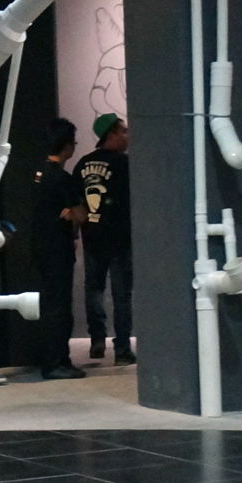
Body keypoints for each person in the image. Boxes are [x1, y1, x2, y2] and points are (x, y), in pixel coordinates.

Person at [76, 112, 134, 365]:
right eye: (123, 131)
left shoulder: (83, 165)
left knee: (94, 290)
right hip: (120, 239)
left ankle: (97, 341)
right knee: (121, 295)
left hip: (92, 237)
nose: (127, 136)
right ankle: (122, 348)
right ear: (111, 134)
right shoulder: (124, 164)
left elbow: (76, 202)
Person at [32, 117, 86, 379]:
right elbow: (82, 215)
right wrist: (71, 213)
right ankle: (57, 363)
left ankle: (52, 359)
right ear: (66, 146)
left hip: (40, 247)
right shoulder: (63, 178)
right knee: (60, 307)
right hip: (59, 249)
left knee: (49, 304)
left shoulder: (38, 174)